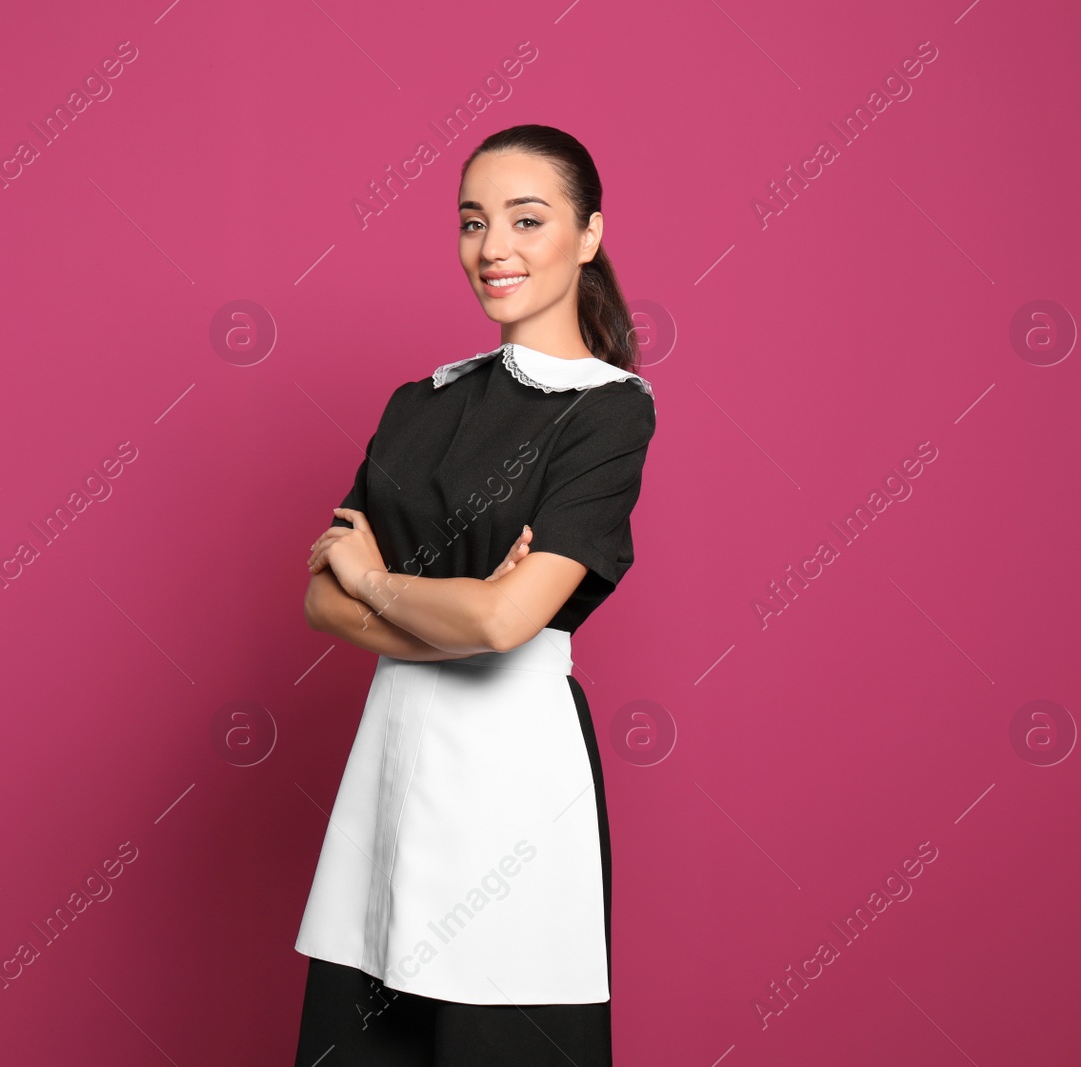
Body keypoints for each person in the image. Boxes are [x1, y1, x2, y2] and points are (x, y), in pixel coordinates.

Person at [293, 123, 657, 1067]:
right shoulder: (419, 403)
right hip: (393, 760)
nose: (493, 247)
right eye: (472, 221)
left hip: (515, 787)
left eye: (527, 219)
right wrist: (461, 617)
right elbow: (318, 601)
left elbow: (502, 619)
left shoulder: (609, 408)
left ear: (588, 235)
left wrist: (383, 583)